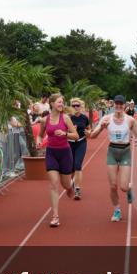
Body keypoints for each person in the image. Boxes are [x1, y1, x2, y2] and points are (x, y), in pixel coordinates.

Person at [89, 95, 137, 222]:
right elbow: (93, 136)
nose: (118, 106)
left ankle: (128, 189)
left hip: (125, 152)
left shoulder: (130, 120)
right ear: (113, 105)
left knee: (123, 187)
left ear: (124, 105)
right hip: (112, 151)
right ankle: (117, 210)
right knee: (113, 186)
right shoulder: (106, 118)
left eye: (121, 104)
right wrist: (102, 127)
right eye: (116, 104)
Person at [38, 93, 78, 228]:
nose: (61, 104)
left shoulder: (65, 118)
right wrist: (38, 142)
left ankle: (69, 186)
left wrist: (65, 134)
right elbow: (39, 135)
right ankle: (55, 216)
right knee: (54, 184)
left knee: (65, 184)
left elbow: (76, 136)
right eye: (59, 102)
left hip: (65, 153)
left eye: (62, 102)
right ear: (52, 104)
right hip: (51, 153)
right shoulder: (45, 120)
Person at [67, 98, 91, 200]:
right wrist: (70, 131)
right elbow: (63, 131)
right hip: (69, 143)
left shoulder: (84, 118)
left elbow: (89, 129)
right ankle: (72, 184)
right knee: (71, 168)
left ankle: (77, 189)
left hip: (81, 142)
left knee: (78, 165)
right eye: (73, 106)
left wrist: (89, 132)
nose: (76, 107)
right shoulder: (67, 118)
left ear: (81, 107)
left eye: (78, 105)